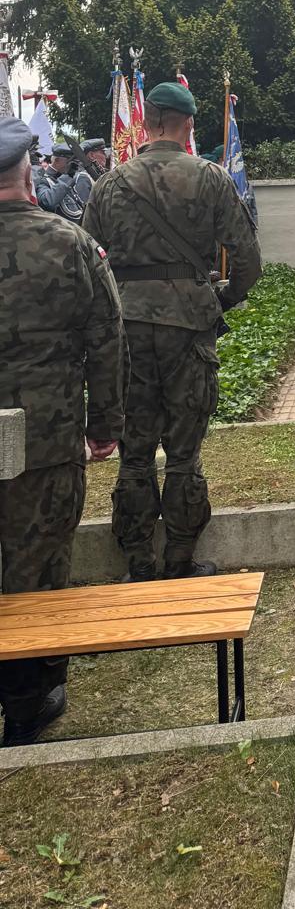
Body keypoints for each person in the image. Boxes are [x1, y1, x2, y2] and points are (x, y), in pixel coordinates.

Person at [84, 81, 262, 581]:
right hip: (189, 329)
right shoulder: (210, 178)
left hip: (128, 329)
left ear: (147, 122)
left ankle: (138, 563)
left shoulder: (109, 185)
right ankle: (181, 559)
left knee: (135, 453)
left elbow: (88, 261)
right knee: (184, 453)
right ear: (188, 124)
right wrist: (220, 299)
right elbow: (248, 261)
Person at [0, 116, 125, 745]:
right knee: (40, 562)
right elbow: (107, 338)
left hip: (39, 435)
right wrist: (105, 426)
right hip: (46, 437)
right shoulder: (69, 242)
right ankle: (29, 701)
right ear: (29, 173)